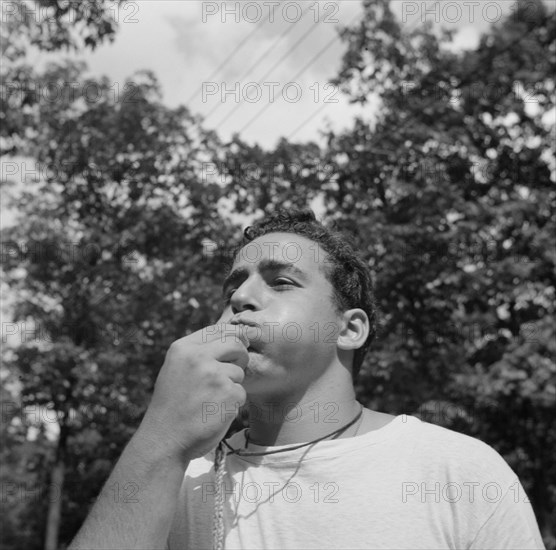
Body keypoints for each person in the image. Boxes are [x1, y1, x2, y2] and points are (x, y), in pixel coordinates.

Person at [70, 209, 545, 550]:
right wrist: (159, 440)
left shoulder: (454, 470)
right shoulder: (174, 478)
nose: (241, 298)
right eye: (233, 285)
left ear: (350, 328)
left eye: (281, 282)